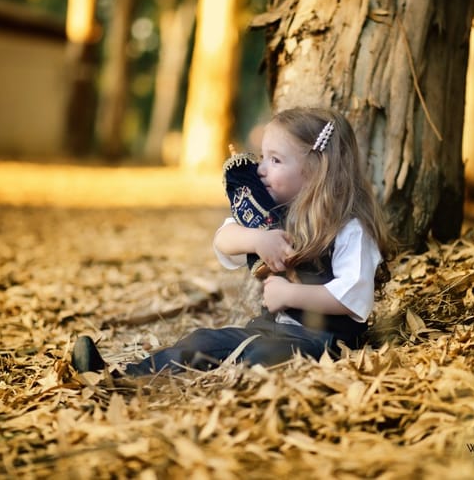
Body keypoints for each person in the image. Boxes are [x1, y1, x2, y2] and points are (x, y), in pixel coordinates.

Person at [71, 107, 393, 376]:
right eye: (262, 157)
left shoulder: (349, 229)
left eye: (276, 160)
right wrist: (257, 240)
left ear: (316, 170)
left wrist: (290, 293)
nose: (261, 169)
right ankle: (118, 377)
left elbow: (354, 297)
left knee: (258, 358)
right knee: (203, 342)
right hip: (272, 329)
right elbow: (224, 240)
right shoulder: (271, 213)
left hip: (323, 342)